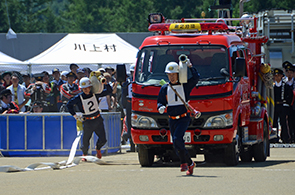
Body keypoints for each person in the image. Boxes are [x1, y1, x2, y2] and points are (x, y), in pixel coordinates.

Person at [157, 61, 200, 175]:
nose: (171, 77)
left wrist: (191, 66)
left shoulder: (185, 86)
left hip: (183, 118)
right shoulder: (165, 88)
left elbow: (196, 78)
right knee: (176, 144)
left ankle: (183, 163)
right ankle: (190, 163)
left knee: (177, 139)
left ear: (178, 74)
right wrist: (160, 107)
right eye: (169, 75)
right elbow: (160, 101)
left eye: (174, 74)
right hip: (172, 119)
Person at [66, 77, 112, 161]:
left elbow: (109, 91)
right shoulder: (79, 97)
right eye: (84, 88)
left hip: (98, 119)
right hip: (87, 121)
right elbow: (69, 105)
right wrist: (75, 115)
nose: (86, 90)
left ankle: (98, 148)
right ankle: (85, 154)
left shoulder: (95, 94)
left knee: (103, 139)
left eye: (87, 88)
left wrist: (106, 83)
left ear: (90, 87)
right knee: (85, 140)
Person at [273, 68, 293, 143]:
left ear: (281, 76)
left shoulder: (286, 86)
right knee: (274, 122)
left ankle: (285, 138)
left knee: (284, 122)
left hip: (283, 106)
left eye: (278, 76)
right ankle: (274, 138)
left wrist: (287, 104)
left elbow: (290, 96)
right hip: (275, 106)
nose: (277, 77)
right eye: (275, 76)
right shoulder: (273, 87)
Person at [121, 64, 135, 151]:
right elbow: (124, 93)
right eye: (132, 72)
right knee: (129, 124)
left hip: (137, 102)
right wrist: (124, 106)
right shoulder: (127, 81)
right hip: (130, 103)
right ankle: (132, 146)